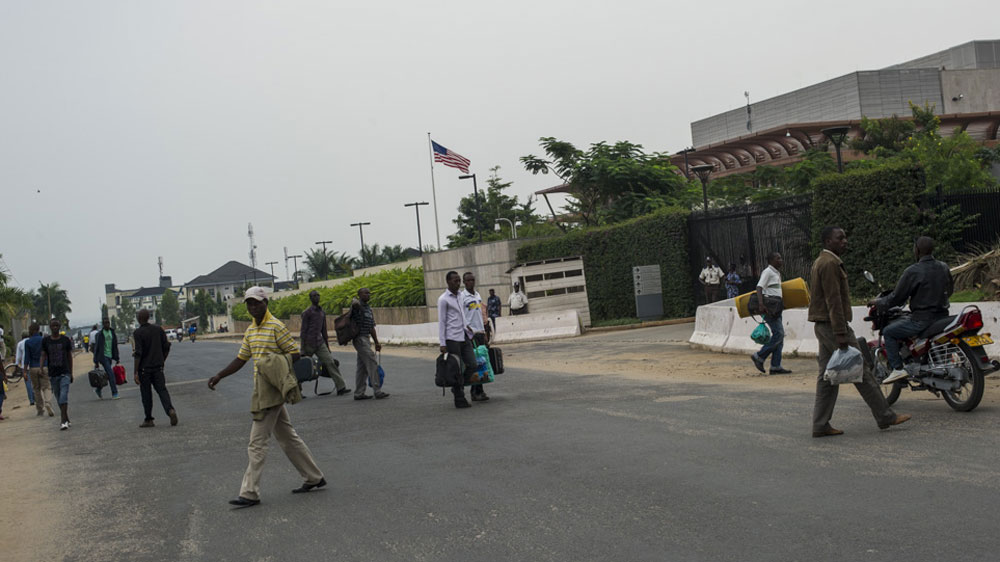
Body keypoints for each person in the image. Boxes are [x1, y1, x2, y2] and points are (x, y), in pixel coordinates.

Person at [208, 286, 326, 507]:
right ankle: (314, 476)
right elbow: (241, 359)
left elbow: (294, 353)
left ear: (266, 303)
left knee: (257, 442)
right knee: (287, 436)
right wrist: (219, 375)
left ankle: (250, 492)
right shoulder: (251, 331)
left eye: (257, 303)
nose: (253, 307)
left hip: (272, 390)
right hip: (261, 388)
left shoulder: (276, 327)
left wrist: (274, 365)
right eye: (249, 304)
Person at [808, 226, 911, 438]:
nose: (845, 241)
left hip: (825, 325)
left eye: (845, 237)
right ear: (828, 242)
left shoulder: (825, 261)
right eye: (840, 238)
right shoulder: (829, 263)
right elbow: (833, 300)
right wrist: (840, 332)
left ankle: (820, 424)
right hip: (832, 325)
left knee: (826, 377)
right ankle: (885, 416)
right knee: (860, 369)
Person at [877, 236, 954, 385]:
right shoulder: (944, 266)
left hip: (922, 320)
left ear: (917, 250)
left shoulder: (913, 271)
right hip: (943, 316)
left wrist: (879, 302)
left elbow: (897, 297)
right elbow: (949, 290)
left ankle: (898, 369)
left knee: (889, 332)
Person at [299, 290, 351, 396]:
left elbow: (324, 330)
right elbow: (303, 331)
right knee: (302, 367)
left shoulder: (322, 312)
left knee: (330, 363)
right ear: (310, 298)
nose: (316, 297)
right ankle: (297, 392)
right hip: (308, 343)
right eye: (314, 296)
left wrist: (327, 346)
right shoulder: (307, 313)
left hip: (319, 343)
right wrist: (302, 348)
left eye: (318, 295)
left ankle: (341, 387)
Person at [132, 309, 178, 428]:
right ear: (148, 317)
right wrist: (162, 360)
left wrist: (135, 372)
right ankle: (170, 410)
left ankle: (148, 419)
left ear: (139, 319)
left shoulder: (138, 333)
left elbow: (138, 353)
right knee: (162, 390)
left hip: (144, 370)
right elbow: (167, 347)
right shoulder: (158, 329)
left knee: (146, 394)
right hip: (158, 368)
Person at [439, 271, 477, 409]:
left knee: (472, 364)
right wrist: (442, 343)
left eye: (459, 280)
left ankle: (457, 387)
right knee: (457, 369)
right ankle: (459, 398)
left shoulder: (460, 296)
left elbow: (461, 314)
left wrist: (467, 326)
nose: (458, 283)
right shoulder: (443, 299)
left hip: (464, 335)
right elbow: (442, 322)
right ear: (448, 282)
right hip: (452, 338)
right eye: (455, 280)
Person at [750, 253, 791, 375]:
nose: (781, 260)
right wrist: (761, 305)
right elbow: (759, 287)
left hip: (776, 308)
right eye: (778, 258)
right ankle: (759, 356)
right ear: (771, 260)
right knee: (779, 334)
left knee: (779, 336)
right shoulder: (767, 272)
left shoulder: (776, 273)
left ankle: (775, 366)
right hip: (769, 308)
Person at [349, 287, 388, 400]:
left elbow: (371, 327)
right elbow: (354, 304)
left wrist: (376, 342)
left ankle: (359, 393)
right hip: (359, 339)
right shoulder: (357, 307)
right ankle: (377, 390)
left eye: (369, 293)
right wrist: (355, 301)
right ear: (360, 295)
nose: (368, 295)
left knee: (362, 368)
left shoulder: (368, 309)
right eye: (365, 293)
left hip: (366, 338)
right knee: (372, 362)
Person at [460, 272, 490, 402]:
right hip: (470, 335)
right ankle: (473, 391)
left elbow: (480, 315)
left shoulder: (477, 295)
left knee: (482, 362)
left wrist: (484, 333)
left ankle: (480, 389)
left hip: (480, 333)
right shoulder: (462, 297)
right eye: (468, 280)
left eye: (472, 280)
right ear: (464, 282)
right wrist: (467, 333)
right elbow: (462, 317)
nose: (471, 282)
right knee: (474, 363)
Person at [41, 319, 75, 430]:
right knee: (58, 396)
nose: (55, 327)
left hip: (64, 373)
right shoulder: (46, 341)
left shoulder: (65, 340)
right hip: (53, 374)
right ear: (50, 327)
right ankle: (67, 417)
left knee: (63, 396)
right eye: (53, 325)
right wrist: (41, 367)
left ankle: (63, 420)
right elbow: (43, 355)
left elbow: (69, 356)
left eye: (56, 325)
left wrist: (71, 372)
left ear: (59, 327)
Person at [24, 323, 54, 417]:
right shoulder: (44, 340)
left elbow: (27, 358)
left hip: (33, 367)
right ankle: (48, 402)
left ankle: (40, 409)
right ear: (38, 329)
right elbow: (48, 354)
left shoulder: (28, 342)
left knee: (36, 389)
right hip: (44, 366)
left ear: (32, 330)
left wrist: (25, 371)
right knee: (47, 387)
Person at [92, 317, 121, 399]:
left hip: (110, 356)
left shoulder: (112, 332)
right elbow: (96, 348)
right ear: (103, 324)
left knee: (107, 375)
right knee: (111, 374)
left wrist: (117, 358)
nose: (107, 324)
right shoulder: (100, 334)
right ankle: (114, 393)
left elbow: (115, 346)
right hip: (103, 357)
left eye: (108, 322)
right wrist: (96, 361)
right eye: (105, 323)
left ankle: (98, 389)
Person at [15, 331, 36, 406]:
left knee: (28, 383)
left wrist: (16, 365)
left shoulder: (20, 344)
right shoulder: (32, 341)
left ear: (22, 336)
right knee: (35, 383)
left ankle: (31, 400)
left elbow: (18, 357)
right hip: (33, 365)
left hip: (25, 367)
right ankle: (36, 398)